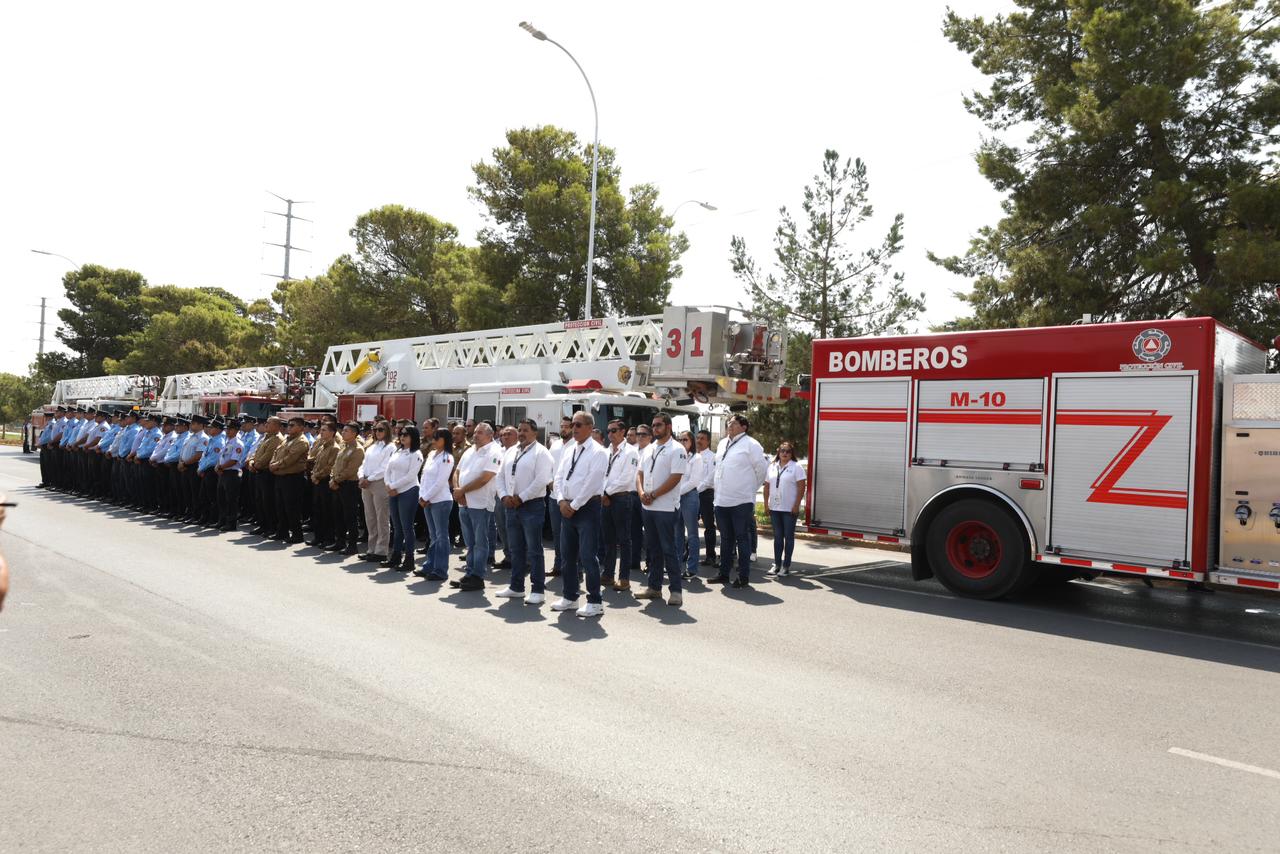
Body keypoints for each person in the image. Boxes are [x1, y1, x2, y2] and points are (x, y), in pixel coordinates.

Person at [550, 411, 608, 617]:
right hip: (566, 506)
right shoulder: (569, 450)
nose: (573, 428)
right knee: (567, 556)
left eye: (578, 425)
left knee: (588, 556)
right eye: (572, 424)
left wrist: (573, 505)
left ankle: (595, 601)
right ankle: (570, 597)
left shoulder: (599, 452)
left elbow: (592, 483)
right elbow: (558, 477)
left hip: (587, 508)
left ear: (590, 428)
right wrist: (560, 500)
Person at [493, 419, 555, 604]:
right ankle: (516, 587)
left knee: (534, 550)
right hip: (511, 505)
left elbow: (542, 480)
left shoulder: (541, 453)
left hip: (531, 506)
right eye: (519, 430)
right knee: (515, 548)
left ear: (535, 433)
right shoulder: (511, 451)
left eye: (525, 430)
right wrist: (504, 495)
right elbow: (500, 475)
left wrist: (522, 497)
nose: (521, 433)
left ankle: (538, 590)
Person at [635, 413, 688, 606]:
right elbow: (639, 474)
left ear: (668, 426)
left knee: (668, 549)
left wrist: (654, 494)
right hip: (647, 506)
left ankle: (676, 591)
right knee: (653, 549)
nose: (655, 428)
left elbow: (675, 478)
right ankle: (654, 587)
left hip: (665, 508)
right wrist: (642, 493)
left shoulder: (677, 449)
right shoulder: (649, 448)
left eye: (658, 425)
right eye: (653, 425)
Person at [712, 413, 769, 588]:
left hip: (741, 501)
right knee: (725, 539)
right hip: (721, 500)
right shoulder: (722, 443)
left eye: (734, 423)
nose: (730, 425)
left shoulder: (752, 444)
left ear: (744, 427)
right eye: (729, 422)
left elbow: (762, 469)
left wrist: (750, 489)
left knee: (742, 538)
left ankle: (743, 576)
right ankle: (723, 573)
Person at [451, 423, 502, 591]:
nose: (475, 435)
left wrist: (462, 491)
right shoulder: (470, 450)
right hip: (464, 502)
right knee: (470, 542)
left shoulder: (494, 451)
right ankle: (469, 573)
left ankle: (477, 576)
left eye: (480, 433)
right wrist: (458, 491)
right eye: (475, 432)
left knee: (480, 542)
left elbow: (485, 478)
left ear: (490, 435)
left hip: (480, 503)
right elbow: (457, 472)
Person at [600, 419, 639, 591]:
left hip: (622, 498)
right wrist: (603, 494)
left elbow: (626, 478)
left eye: (614, 430)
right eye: (608, 431)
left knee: (624, 539)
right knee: (608, 539)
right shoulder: (605, 451)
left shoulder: (631, 452)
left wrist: (607, 493)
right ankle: (608, 574)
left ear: (623, 432)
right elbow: (601, 474)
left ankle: (624, 578)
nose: (610, 434)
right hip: (605, 498)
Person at [414, 428, 455, 580]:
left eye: (437, 438)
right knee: (433, 536)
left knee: (441, 536)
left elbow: (440, 481)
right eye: (434, 437)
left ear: (445, 440)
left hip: (440, 501)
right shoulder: (432, 454)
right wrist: (422, 496)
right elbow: (424, 477)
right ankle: (430, 566)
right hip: (428, 499)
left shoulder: (447, 457)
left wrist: (425, 497)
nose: (434, 440)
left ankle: (440, 570)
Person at [384, 426, 423, 570]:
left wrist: (393, 486)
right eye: (401, 434)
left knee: (407, 526)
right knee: (397, 526)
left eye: (406, 434)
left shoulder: (416, 453)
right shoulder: (397, 451)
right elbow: (388, 470)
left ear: (413, 436)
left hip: (408, 491)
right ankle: (395, 556)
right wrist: (388, 485)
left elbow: (411, 475)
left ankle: (409, 560)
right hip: (393, 491)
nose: (402, 436)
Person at [765, 441, 807, 576]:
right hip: (775, 508)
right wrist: (766, 504)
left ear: (791, 453)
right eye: (782, 450)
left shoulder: (796, 467)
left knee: (788, 537)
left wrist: (796, 505)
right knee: (777, 537)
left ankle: (786, 566)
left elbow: (801, 487)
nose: (785, 453)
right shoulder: (772, 466)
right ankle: (777, 564)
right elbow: (767, 486)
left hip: (789, 509)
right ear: (778, 452)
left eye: (788, 451)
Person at [269, 417, 310, 543]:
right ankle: (282, 531)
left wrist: (276, 465)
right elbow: (276, 453)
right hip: (281, 476)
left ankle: (297, 535)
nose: (289, 427)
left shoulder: (301, 441)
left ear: (301, 427)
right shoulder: (287, 439)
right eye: (288, 425)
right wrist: (272, 463)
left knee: (292, 508)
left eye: (292, 425)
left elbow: (291, 458)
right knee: (280, 506)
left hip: (293, 478)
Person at [357, 421, 394, 562]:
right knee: (370, 517)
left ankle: (381, 551)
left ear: (387, 431)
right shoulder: (372, 447)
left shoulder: (390, 447)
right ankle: (371, 549)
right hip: (366, 482)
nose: (377, 432)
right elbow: (363, 464)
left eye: (381, 430)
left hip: (379, 483)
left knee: (381, 518)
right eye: (376, 429)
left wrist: (369, 479)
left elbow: (385, 467)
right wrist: (361, 476)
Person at [329, 422, 365, 555]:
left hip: (349, 485)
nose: (342, 433)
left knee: (350, 516)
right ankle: (340, 542)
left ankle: (352, 545)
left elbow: (351, 470)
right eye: (343, 430)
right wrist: (332, 478)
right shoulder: (343, 446)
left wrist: (336, 480)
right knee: (338, 514)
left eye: (346, 431)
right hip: (338, 484)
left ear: (354, 434)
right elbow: (335, 465)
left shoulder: (358, 449)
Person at [546, 416, 574, 579]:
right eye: (562, 426)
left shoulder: (576, 445)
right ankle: (558, 565)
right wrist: (550, 482)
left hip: (570, 497)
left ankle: (574, 568)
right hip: (554, 496)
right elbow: (548, 467)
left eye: (567, 426)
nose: (563, 429)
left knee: (571, 534)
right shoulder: (555, 445)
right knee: (557, 533)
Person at [675, 430, 703, 581]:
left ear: (691, 442)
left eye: (685, 439)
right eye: (680, 439)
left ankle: (691, 569)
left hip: (689, 497)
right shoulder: (677, 457)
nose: (682, 442)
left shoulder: (697, 458)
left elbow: (694, 481)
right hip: (676, 498)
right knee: (677, 534)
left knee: (692, 534)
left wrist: (677, 492)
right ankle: (676, 566)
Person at [248, 417, 283, 537]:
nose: (266, 425)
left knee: (268, 501)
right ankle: (262, 525)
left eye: (269, 423)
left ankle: (271, 527)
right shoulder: (266, 437)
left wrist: (256, 465)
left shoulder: (277, 438)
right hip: (259, 471)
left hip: (267, 473)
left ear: (276, 426)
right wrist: (252, 461)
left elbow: (267, 456)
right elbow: (256, 452)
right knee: (259, 500)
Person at [308, 422, 340, 548]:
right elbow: (317, 464)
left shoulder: (335, 448)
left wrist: (317, 476)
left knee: (327, 511)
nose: (321, 432)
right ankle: (318, 537)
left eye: (324, 430)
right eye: (321, 430)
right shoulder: (323, 446)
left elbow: (329, 467)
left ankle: (328, 538)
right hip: (317, 481)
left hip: (325, 482)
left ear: (332, 432)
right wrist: (313, 474)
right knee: (317, 510)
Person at [491, 425, 518, 569]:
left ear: (517, 436)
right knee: (502, 526)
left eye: (509, 434)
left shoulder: (520, 451)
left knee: (515, 529)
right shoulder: (499, 452)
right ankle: (508, 556)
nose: (505, 437)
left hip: (515, 496)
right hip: (500, 495)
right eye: (503, 435)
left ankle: (521, 558)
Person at [215, 419, 247, 531]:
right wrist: (218, 466)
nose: (227, 431)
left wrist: (221, 467)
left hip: (232, 473)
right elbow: (222, 457)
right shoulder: (227, 441)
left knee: (231, 500)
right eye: (227, 429)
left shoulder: (238, 443)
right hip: (223, 473)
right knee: (221, 498)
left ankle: (231, 523)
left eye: (230, 429)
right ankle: (222, 520)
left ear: (237, 430)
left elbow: (234, 460)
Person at [196, 418, 225, 527]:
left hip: (212, 471)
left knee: (212, 497)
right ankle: (205, 517)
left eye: (211, 427)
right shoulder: (212, 440)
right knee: (203, 496)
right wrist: (200, 467)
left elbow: (214, 460)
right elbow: (204, 456)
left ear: (218, 429)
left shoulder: (219, 442)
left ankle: (212, 519)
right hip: (206, 470)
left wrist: (202, 468)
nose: (208, 429)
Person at [696, 429, 717, 566]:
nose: (699, 440)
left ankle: (710, 555)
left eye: (702, 438)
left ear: (708, 441)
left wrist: (695, 489)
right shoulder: (693, 456)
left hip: (705, 494)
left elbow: (710, 478)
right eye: (697, 438)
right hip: (692, 494)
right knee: (691, 526)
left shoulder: (712, 457)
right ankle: (689, 552)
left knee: (709, 526)